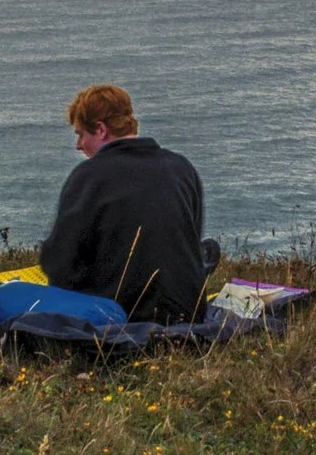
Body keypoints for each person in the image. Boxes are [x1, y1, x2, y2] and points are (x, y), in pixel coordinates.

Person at [39, 84, 211, 324]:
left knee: (9, 295)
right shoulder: (181, 168)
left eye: (80, 134)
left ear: (100, 129)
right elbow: (190, 240)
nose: (79, 145)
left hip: (120, 315)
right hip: (186, 313)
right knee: (208, 249)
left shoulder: (88, 176)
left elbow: (61, 265)